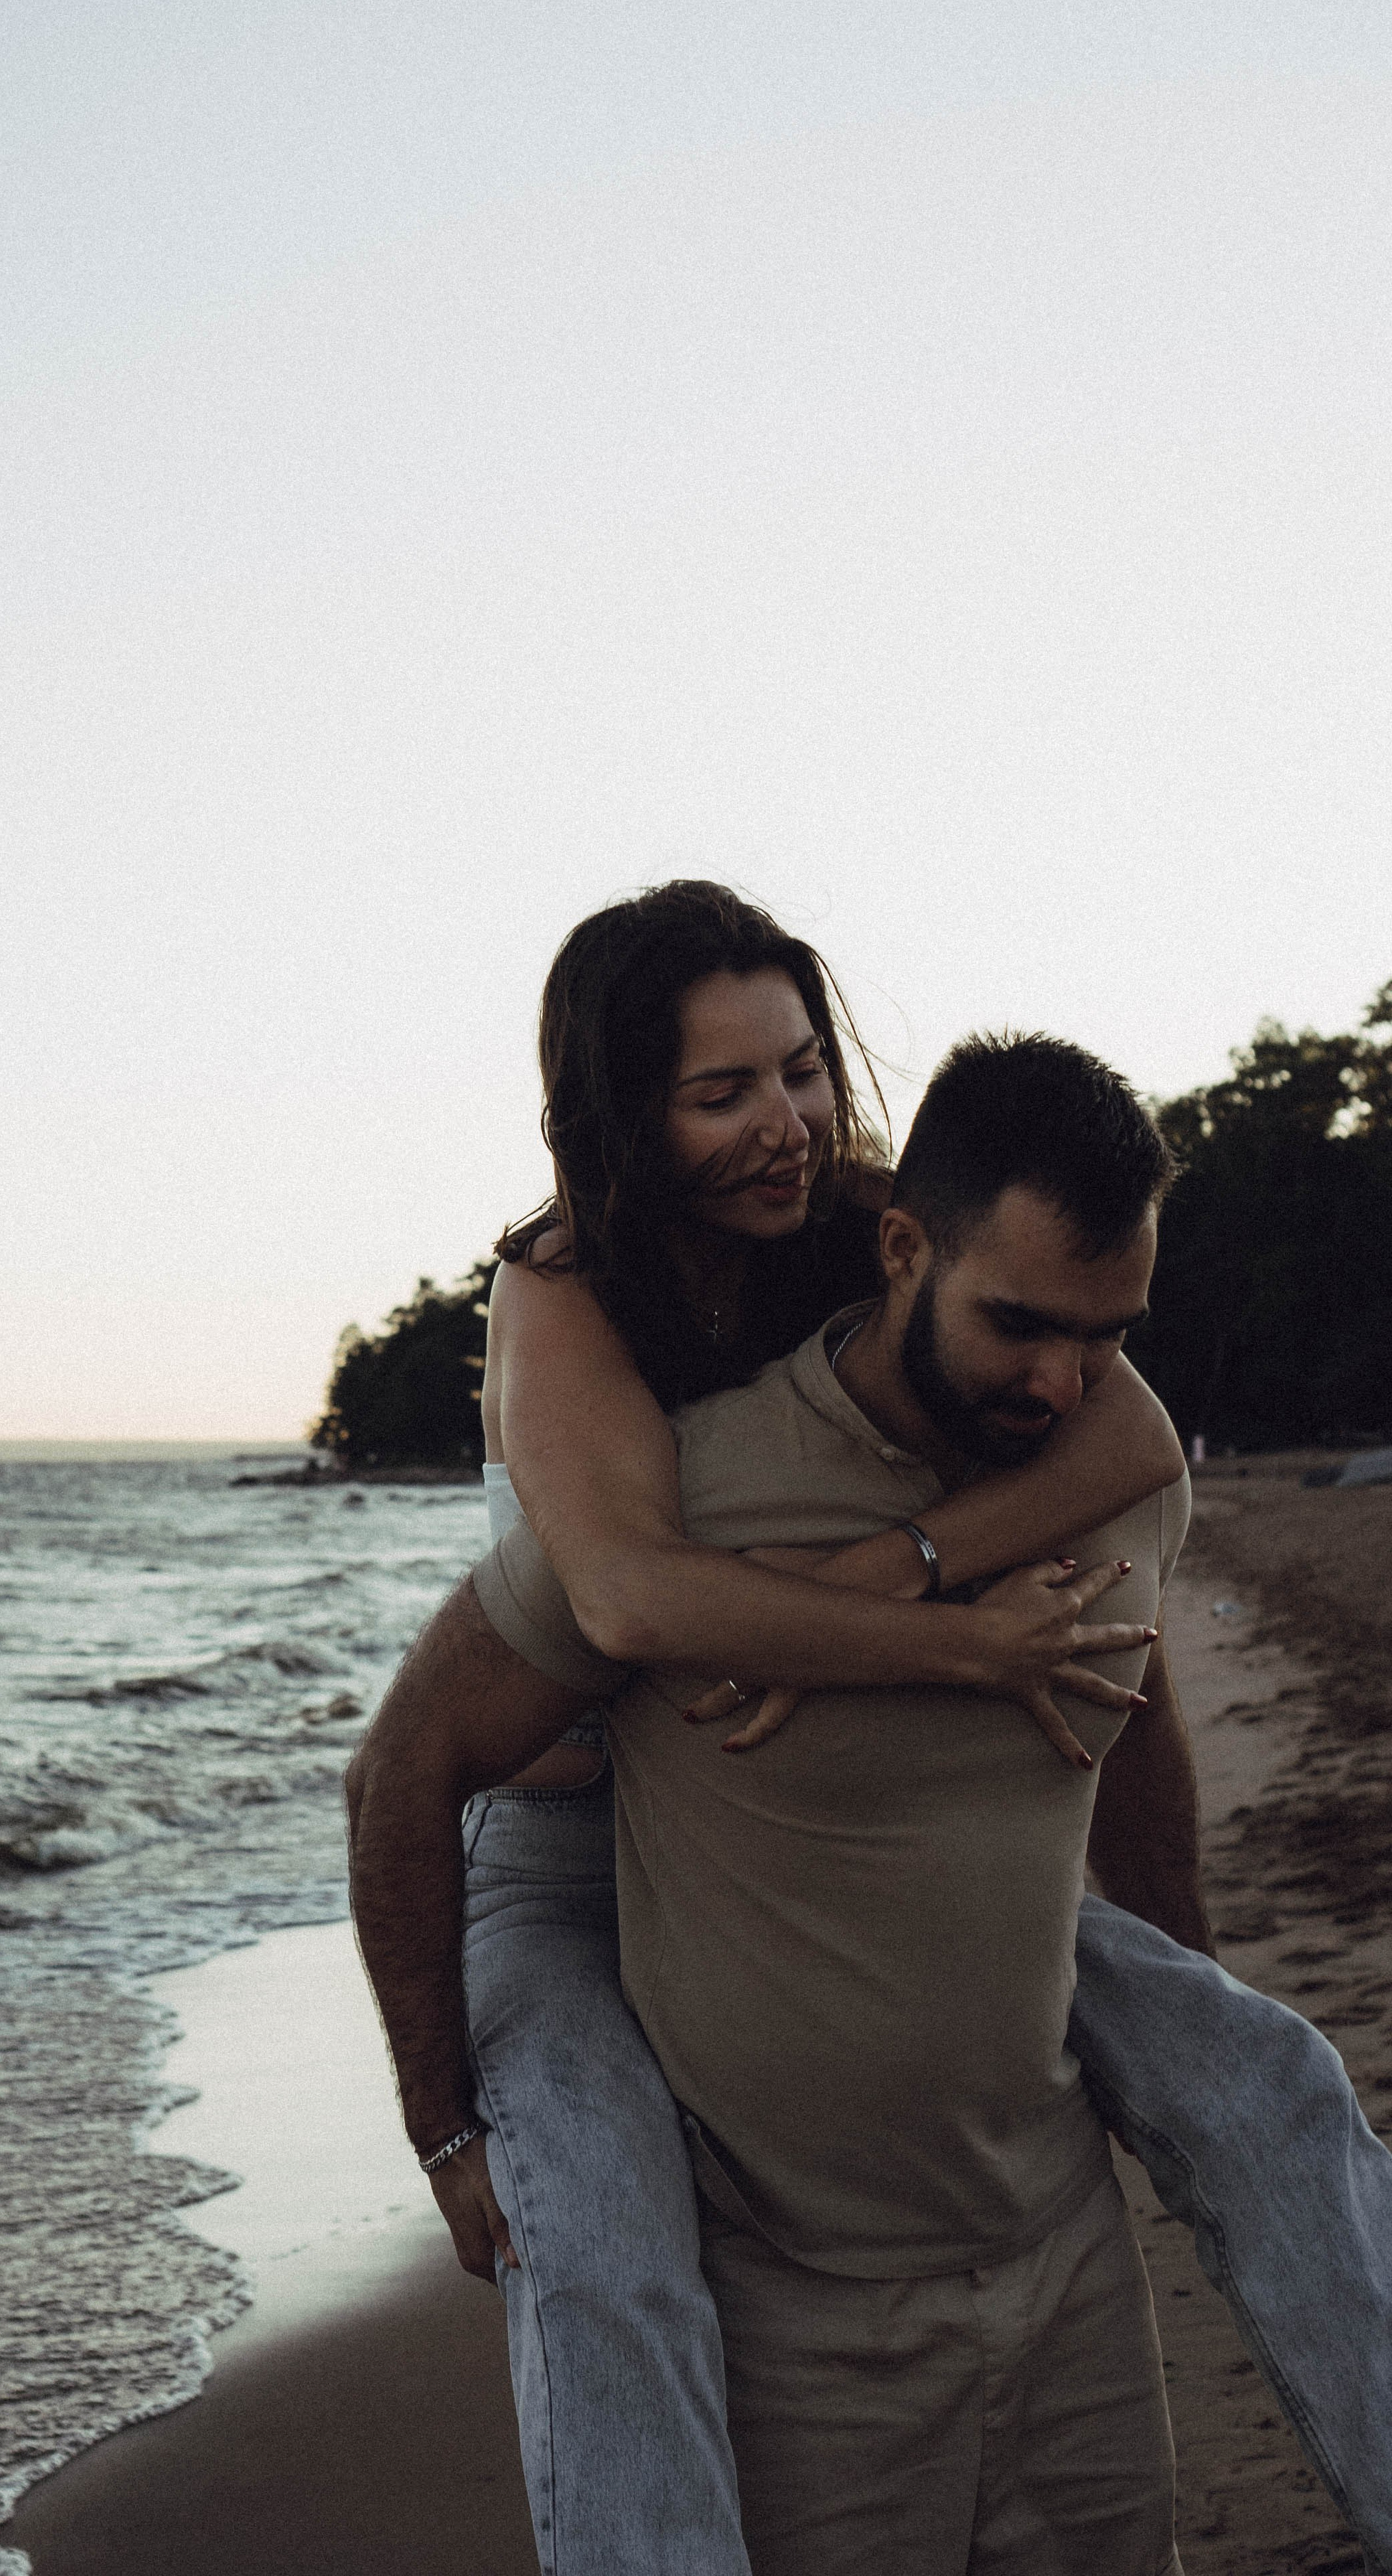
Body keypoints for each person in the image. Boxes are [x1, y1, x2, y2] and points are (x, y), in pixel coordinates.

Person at [347, 885, 1392, 2575]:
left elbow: (1120, 1437)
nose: (786, 1124)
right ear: (623, 1117)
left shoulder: (877, 1224)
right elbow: (619, 1604)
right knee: (605, 2251)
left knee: (1256, 2069)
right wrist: (441, 2121)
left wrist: (895, 1579)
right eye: (722, 1093)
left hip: (806, 1805)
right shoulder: (561, 1290)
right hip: (562, 1840)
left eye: (802, 1069)